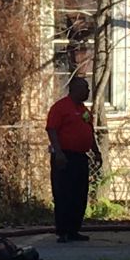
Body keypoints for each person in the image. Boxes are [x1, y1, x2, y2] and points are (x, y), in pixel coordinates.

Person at [46, 76, 100, 243]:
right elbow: (52, 129)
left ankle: (74, 230)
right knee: (64, 194)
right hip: (64, 156)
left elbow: (89, 131)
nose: (88, 92)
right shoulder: (60, 107)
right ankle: (63, 231)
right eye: (85, 88)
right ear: (75, 89)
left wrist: (96, 151)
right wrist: (58, 152)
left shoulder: (84, 110)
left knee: (79, 194)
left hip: (80, 157)